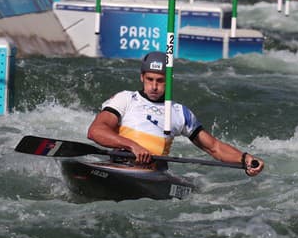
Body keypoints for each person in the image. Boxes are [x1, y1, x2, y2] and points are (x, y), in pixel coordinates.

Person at [87, 51, 264, 177]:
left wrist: (245, 158)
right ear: (141, 77)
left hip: (153, 173)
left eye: (160, 81)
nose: (154, 86)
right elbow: (95, 131)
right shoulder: (125, 99)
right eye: (149, 79)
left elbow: (214, 147)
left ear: (169, 81)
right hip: (119, 164)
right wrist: (133, 146)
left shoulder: (180, 112)